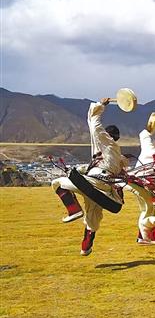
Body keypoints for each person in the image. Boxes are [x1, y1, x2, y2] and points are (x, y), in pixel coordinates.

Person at [50, 98, 126, 255]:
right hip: (104, 189)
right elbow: (99, 167)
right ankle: (86, 247)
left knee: (57, 183)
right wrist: (79, 169)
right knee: (93, 216)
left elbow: (94, 124)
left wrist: (101, 105)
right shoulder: (115, 155)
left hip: (93, 182)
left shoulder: (108, 144)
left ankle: (74, 210)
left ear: (108, 135)